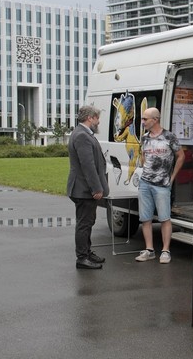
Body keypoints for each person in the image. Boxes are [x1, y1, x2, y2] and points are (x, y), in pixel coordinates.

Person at [135, 107, 184, 264]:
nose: (142, 122)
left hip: (162, 184)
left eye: (145, 119)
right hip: (145, 183)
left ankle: (165, 251)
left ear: (155, 120)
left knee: (164, 217)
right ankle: (149, 250)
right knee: (145, 218)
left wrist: (172, 177)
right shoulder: (144, 138)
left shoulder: (169, 136)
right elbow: (143, 156)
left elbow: (181, 156)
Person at [67, 105, 109, 270]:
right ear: (90, 118)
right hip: (83, 189)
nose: (98, 121)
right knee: (84, 223)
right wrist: (96, 189)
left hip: (83, 188)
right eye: (97, 118)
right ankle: (82, 258)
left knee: (87, 222)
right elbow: (88, 166)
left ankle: (86, 252)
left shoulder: (82, 133)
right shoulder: (82, 135)